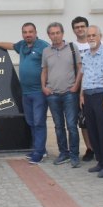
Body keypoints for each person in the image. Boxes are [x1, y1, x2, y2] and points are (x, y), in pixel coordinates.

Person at [0, 22, 50, 164]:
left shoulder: (43, 46)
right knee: (31, 122)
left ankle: (38, 153)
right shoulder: (22, 45)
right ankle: (39, 148)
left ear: (35, 32)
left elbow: (51, 65)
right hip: (26, 92)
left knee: (39, 122)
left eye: (30, 32)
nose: (28, 34)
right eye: (25, 32)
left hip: (39, 92)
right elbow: (10, 45)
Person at [40, 22, 82, 168]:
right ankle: (63, 153)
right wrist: (43, 87)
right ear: (49, 35)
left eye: (58, 32)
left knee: (71, 125)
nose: (55, 35)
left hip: (69, 94)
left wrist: (76, 86)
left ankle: (74, 155)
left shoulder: (72, 48)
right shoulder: (46, 51)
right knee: (58, 126)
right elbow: (44, 70)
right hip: (52, 94)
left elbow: (80, 67)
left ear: (62, 33)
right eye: (52, 33)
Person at [80, 26, 103, 178]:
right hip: (88, 96)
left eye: (93, 35)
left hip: (101, 95)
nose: (90, 38)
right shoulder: (86, 55)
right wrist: (81, 95)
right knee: (92, 130)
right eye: (88, 35)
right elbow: (84, 75)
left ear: (100, 36)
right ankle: (100, 161)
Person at [71, 16, 94, 161]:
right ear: (73, 30)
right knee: (83, 121)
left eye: (82, 26)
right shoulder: (72, 47)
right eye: (76, 27)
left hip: (94, 87)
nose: (80, 29)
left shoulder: (96, 43)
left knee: (97, 121)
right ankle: (89, 148)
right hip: (78, 87)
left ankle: (99, 147)